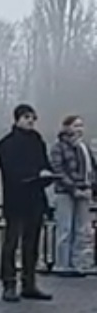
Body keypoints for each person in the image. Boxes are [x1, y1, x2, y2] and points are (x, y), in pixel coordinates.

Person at [0, 103, 54, 302]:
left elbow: (45, 164)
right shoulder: (6, 144)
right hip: (16, 200)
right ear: (18, 118)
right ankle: (9, 283)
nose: (31, 121)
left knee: (32, 244)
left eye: (33, 118)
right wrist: (33, 174)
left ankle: (29, 283)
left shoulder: (38, 141)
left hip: (35, 200)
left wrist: (46, 174)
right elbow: (10, 172)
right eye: (27, 117)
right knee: (11, 243)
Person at [49, 114, 94, 277]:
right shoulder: (59, 147)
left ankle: (77, 263)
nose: (79, 129)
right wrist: (74, 189)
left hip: (84, 191)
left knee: (81, 230)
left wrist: (91, 189)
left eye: (81, 125)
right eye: (76, 125)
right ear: (66, 127)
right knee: (65, 229)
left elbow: (92, 170)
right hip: (65, 192)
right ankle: (62, 265)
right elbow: (58, 170)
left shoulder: (84, 147)